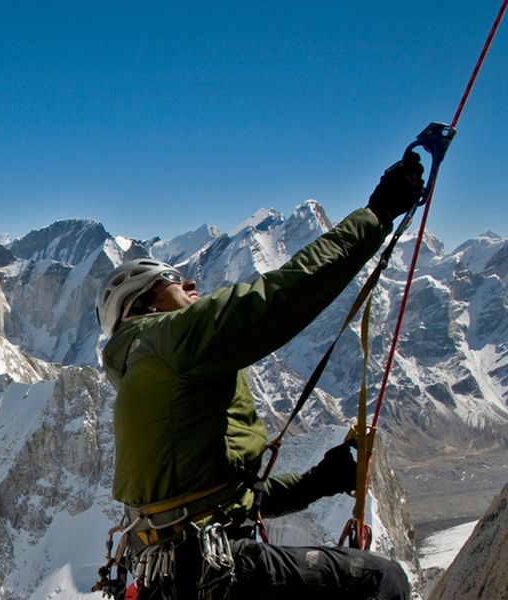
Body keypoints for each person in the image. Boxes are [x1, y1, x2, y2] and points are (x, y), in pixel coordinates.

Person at [94, 154, 424, 599]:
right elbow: (275, 297)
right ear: (145, 305)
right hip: (207, 566)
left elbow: (226, 499)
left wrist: (316, 483)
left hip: (183, 568)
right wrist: (377, 215)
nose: (192, 284)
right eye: (174, 280)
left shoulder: (153, 371)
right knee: (379, 580)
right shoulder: (164, 340)